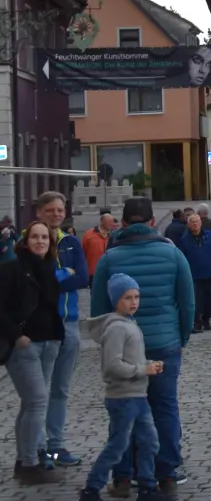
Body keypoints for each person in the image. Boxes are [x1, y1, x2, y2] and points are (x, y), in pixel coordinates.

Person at [89, 197, 192, 496]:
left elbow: (97, 309)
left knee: (125, 410)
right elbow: (187, 302)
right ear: (151, 222)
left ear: (122, 223)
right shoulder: (173, 255)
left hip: (122, 346)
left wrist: (105, 341)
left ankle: (123, 476)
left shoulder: (110, 259)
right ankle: (167, 473)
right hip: (164, 343)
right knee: (164, 407)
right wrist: (181, 338)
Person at [80, 273, 161, 501]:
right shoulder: (116, 328)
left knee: (149, 442)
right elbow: (112, 366)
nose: (134, 302)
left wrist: (149, 365)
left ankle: (147, 487)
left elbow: (131, 360)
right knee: (118, 446)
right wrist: (141, 369)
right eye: (127, 297)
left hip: (139, 395)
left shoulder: (131, 324)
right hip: (123, 398)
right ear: (116, 300)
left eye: (136, 297)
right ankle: (91, 489)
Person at [1, 221, 65, 485]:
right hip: (25, 344)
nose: (40, 242)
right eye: (35, 237)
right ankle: (29, 463)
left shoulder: (50, 268)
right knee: (37, 400)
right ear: (26, 241)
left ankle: (23, 460)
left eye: (45, 238)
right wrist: (17, 336)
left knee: (32, 403)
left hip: (50, 341)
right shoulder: (12, 269)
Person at [37, 191, 90, 466]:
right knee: (38, 392)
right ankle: (37, 450)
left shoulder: (70, 242)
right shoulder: (30, 241)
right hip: (39, 326)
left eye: (60, 210)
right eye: (50, 210)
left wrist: (53, 279)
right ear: (39, 212)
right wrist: (60, 275)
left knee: (61, 389)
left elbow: (81, 277)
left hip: (68, 323)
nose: (56, 214)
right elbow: (30, 281)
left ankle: (56, 447)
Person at [173, 213, 211, 333]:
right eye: (192, 222)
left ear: (201, 223)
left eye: (197, 221)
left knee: (210, 299)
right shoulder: (184, 239)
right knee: (196, 300)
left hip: (210, 273)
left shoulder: (209, 235)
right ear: (188, 224)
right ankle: (197, 322)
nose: (195, 224)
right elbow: (182, 257)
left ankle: (207, 319)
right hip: (193, 275)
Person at [84, 212, 116, 277]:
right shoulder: (89, 234)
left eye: (112, 221)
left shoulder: (115, 235)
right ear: (102, 222)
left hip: (110, 272)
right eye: (109, 221)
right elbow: (82, 252)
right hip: (93, 273)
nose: (111, 224)